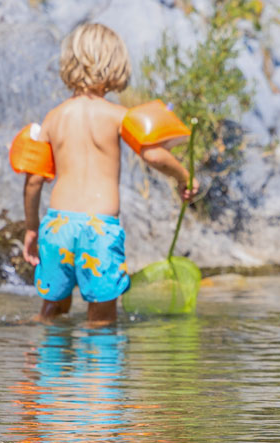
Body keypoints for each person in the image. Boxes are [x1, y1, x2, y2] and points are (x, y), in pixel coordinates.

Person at [12, 23, 196, 327]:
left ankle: (45, 366)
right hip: (98, 229)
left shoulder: (53, 117)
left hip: (57, 225)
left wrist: (32, 227)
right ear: (116, 66)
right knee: (102, 319)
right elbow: (153, 155)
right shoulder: (117, 116)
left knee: (53, 310)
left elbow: (33, 180)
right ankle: (98, 374)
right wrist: (184, 176)